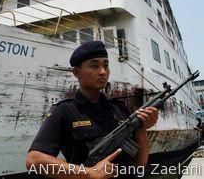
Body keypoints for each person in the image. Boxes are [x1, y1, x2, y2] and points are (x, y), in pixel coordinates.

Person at [26, 41, 158, 179]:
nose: (102, 71)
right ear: (77, 73)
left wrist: (142, 129)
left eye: (106, 65)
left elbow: (140, 165)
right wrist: (89, 173)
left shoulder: (118, 108)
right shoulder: (64, 111)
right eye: (95, 66)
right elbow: (34, 160)